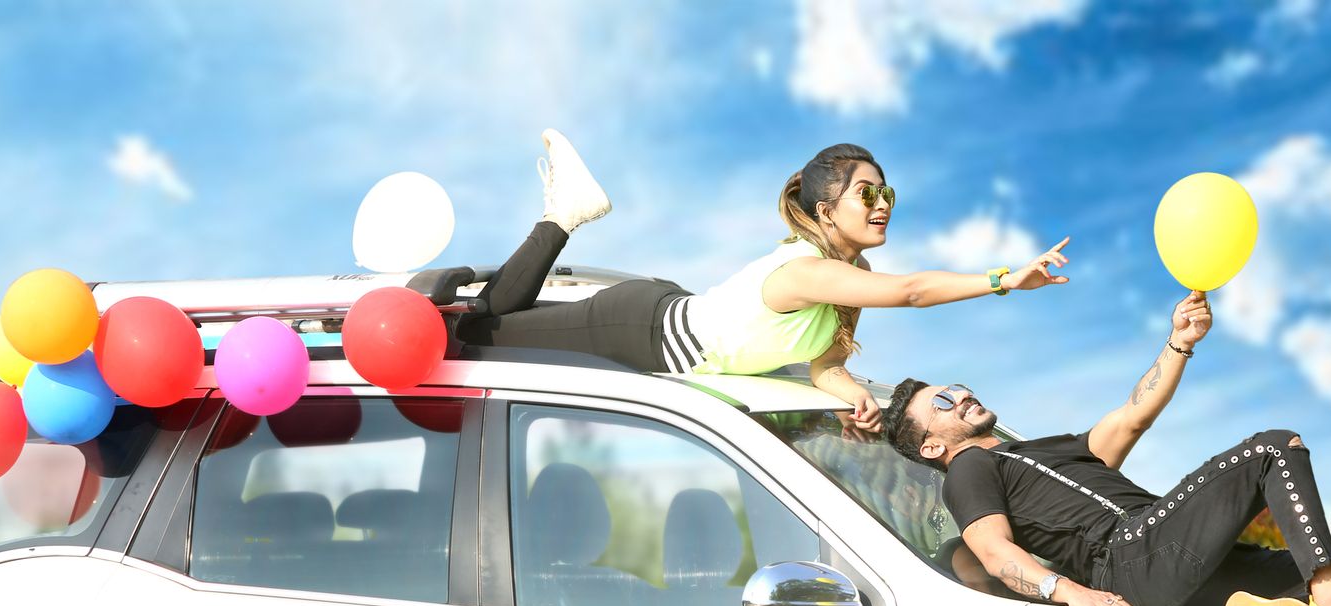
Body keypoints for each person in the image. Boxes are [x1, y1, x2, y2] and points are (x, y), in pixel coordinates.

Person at [880, 292, 1331, 606]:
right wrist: (1070, 592)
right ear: (930, 445)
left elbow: (1133, 416)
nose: (962, 395)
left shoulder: (1039, 451)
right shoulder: (969, 469)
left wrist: (1179, 342)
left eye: (957, 386)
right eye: (943, 402)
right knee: (1275, 448)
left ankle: (1240, 605)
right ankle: (1329, 605)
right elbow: (995, 555)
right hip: (1129, 554)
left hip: (1170, 553)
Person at [455, 134, 1073, 426]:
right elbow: (912, 293)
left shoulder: (844, 281)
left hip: (657, 325)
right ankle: (564, 213)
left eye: (887, 191)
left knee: (489, 324)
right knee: (479, 332)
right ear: (827, 211)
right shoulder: (806, 272)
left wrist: (849, 394)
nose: (884, 202)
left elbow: (824, 366)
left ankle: (563, 213)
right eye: (868, 193)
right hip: (637, 328)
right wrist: (1003, 279)